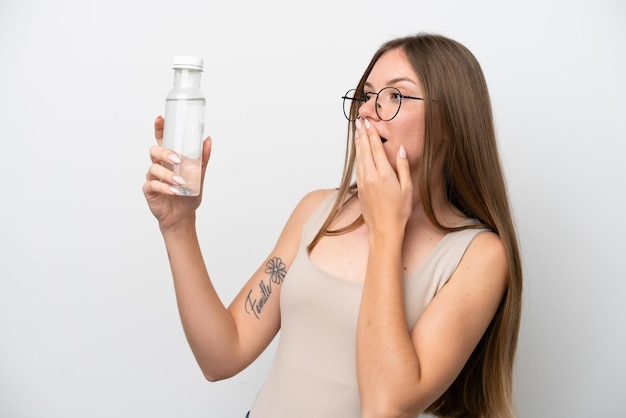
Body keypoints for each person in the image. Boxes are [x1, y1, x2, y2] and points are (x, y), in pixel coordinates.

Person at [143, 32, 522, 418]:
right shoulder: (316, 210)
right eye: (366, 95)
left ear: (451, 120)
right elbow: (222, 356)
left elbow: (385, 406)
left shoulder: (479, 256)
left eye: (395, 95)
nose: (369, 111)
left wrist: (387, 231)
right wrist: (179, 226)